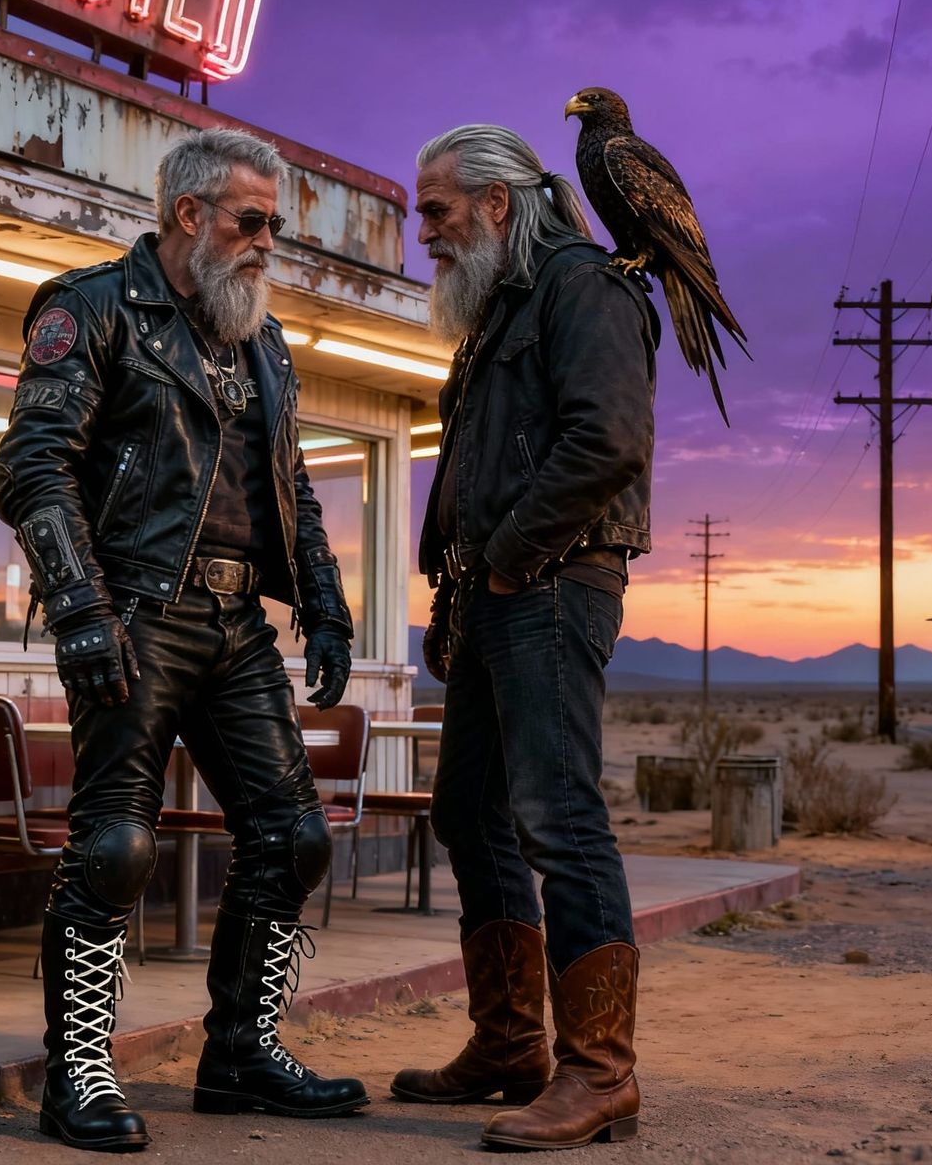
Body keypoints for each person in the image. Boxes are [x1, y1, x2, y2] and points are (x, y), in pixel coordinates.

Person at [0, 127, 367, 1153]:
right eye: (250, 224)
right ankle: (78, 1075)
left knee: (293, 837)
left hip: (237, 621)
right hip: (134, 611)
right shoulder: (94, 309)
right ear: (190, 216)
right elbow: (31, 467)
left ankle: (239, 1055)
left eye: (272, 229)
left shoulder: (263, 341)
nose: (265, 246)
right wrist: (79, 609)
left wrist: (326, 608)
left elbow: (290, 491)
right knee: (115, 845)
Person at [391, 125, 659, 1150]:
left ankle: (599, 1073)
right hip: (496, 593)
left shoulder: (580, 285)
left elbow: (607, 439)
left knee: (559, 819)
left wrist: (504, 557)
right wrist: (461, 589)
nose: (426, 233)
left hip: (551, 584)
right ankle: (508, 1046)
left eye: (437, 210)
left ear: (498, 204)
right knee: (469, 812)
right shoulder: (502, 305)